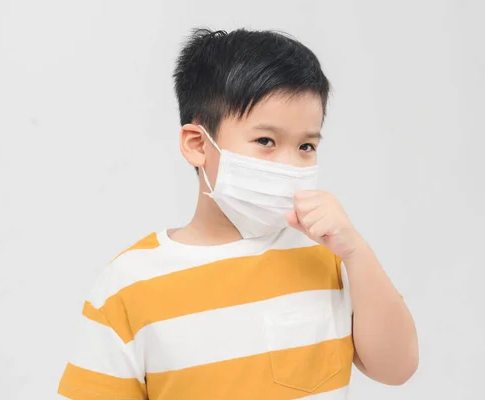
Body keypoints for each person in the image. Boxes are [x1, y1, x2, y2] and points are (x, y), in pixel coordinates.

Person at [58, 28, 418, 400]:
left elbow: (397, 369)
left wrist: (356, 252)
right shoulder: (130, 283)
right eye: (266, 141)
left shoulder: (327, 256)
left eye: (306, 145)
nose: (290, 164)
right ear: (198, 144)